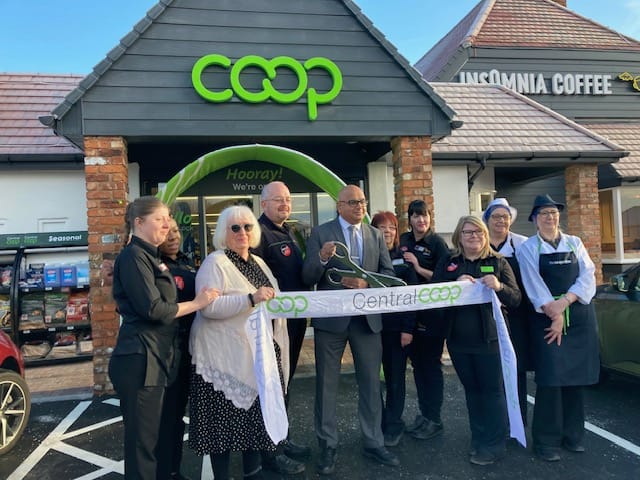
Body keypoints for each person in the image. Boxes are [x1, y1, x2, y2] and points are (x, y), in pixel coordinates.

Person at [108, 196, 219, 480]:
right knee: (143, 444)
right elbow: (153, 309)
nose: (167, 224)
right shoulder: (133, 256)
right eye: (159, 219)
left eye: (168, 218)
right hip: (140, 359)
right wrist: (198, 303)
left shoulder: (152, 257)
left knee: (162, 433)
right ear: (139, 222)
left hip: (160, 357)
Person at [302, 185, 400, 475]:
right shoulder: (321, 233)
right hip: (331, 321)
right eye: (353, 202)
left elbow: (389, 274)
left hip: (367, 321)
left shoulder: (374, 234)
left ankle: (373, 441)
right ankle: (327, 445)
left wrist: (367, 283)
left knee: (370, 383)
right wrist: (321, 258)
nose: (360, 206)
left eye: (363, 201)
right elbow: (308, 276)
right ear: (339, 205)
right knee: (326, 385)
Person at [188, 205, 290, 480]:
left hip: (253, 355)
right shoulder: (215, 262)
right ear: (224, 232)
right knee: (221, 428)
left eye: (247, 226)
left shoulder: (259, 262)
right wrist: (249, 299)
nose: (242, 232)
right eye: (235, 227)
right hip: (221, 357)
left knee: (253, 421)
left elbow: (275, 299)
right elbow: (208, 308)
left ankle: (252, 473)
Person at [516, 194, 599, 462]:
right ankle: (546, 441)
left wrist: (564, 303)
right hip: (546, 319)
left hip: (578, 317)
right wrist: (554, 313)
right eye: (544, 213)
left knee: (576, 380)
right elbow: (533, 285)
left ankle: (573, 436)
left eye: (553, 212)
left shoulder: (575, 242)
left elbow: (588, 276)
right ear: (534, 219)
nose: (549, 217)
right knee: (550, 380)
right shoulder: (528, 248)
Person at [432, 215, 521, 465]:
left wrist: (499, 287)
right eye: (468, 232)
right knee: (472, 391)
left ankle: (495, 444)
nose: (474, 236)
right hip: (458, 341)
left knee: (492, 392)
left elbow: (516, 298)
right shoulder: (449, 262)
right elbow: (432, 294)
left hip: (490, 341)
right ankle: (479, 439)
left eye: (479, 232)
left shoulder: (498, 262)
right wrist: (454, 285)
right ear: (459, 237)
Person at [251, 181, 308, 475]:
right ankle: (270, 453)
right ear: (263, 204)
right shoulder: (258, 233)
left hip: (293, 323)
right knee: (271, 386)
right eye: (278, 200)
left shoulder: (291, 232)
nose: (285, 204)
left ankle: (282, 438)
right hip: (272, 325)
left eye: (288, 199)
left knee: (285, 383)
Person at [399, 200, 450, 440]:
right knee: (418, 367)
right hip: (410, 316)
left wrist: (419, 268)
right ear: (409, 219)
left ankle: (435, 419)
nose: (421, 220)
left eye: (425, 215)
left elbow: (444, 281)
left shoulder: (438, 244)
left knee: (431, 368)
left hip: (432, 317)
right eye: (416, 216)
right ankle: (424, 414)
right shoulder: (404, 240)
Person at [482, 198, 532, 426]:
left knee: (516, 371)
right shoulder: (481, 244)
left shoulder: (522, 244)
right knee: (493, 373)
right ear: (487, 220)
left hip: (517, 315)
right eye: (496, 216)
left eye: (505, 216)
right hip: (489, 318)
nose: (501, 221)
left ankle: (517, 424)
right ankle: (497, 424)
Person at [371, 211, 418, 447]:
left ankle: (393, 424)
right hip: (371, 329)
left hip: (396, 330)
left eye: (392, 227)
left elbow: (411, 297)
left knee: (395, 380)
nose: (387, 232)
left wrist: (408, 329)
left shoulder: (404, 259)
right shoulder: (367, 259)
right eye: (382, 227)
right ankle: (377, 423)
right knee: (371, 380)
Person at [158, 218, 197, 480]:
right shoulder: (152, 265)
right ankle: (164, 471)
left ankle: (174, 470)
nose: (172, 236)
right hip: (166, 351)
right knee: (166, 416)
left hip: (189, 349)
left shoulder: (187, 262)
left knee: (178, 415)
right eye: (166, 232)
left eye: (175, 231)